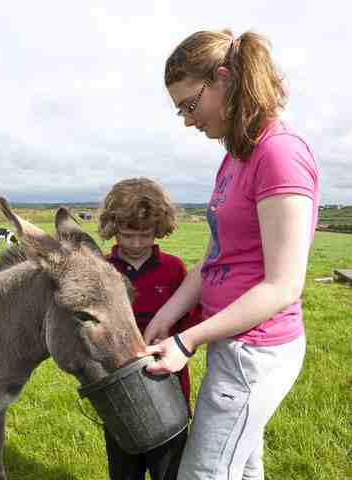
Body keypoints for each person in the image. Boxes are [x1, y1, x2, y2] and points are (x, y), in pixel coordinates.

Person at [144, 30, 319, 480]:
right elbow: (214, 259)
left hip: (256, 351)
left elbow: (283, 285)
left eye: (189, 104)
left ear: (223, 79)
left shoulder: (279, 154)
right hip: (233, 341)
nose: (186, 120)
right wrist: (170, 313)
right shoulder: (236, 156)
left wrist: (188, 340)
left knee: (203, 472)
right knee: (242, 468)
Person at [98, 177, 200, 480]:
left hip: (167, 388)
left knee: (169, 470)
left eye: (145, 235)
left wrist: (179, 342)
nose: (136, 244)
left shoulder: (174, 269)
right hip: (119, 391)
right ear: (114, 229)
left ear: (158, 229)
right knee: (123, 470)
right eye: (128, 235)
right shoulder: (103, 271)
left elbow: (190, 324)